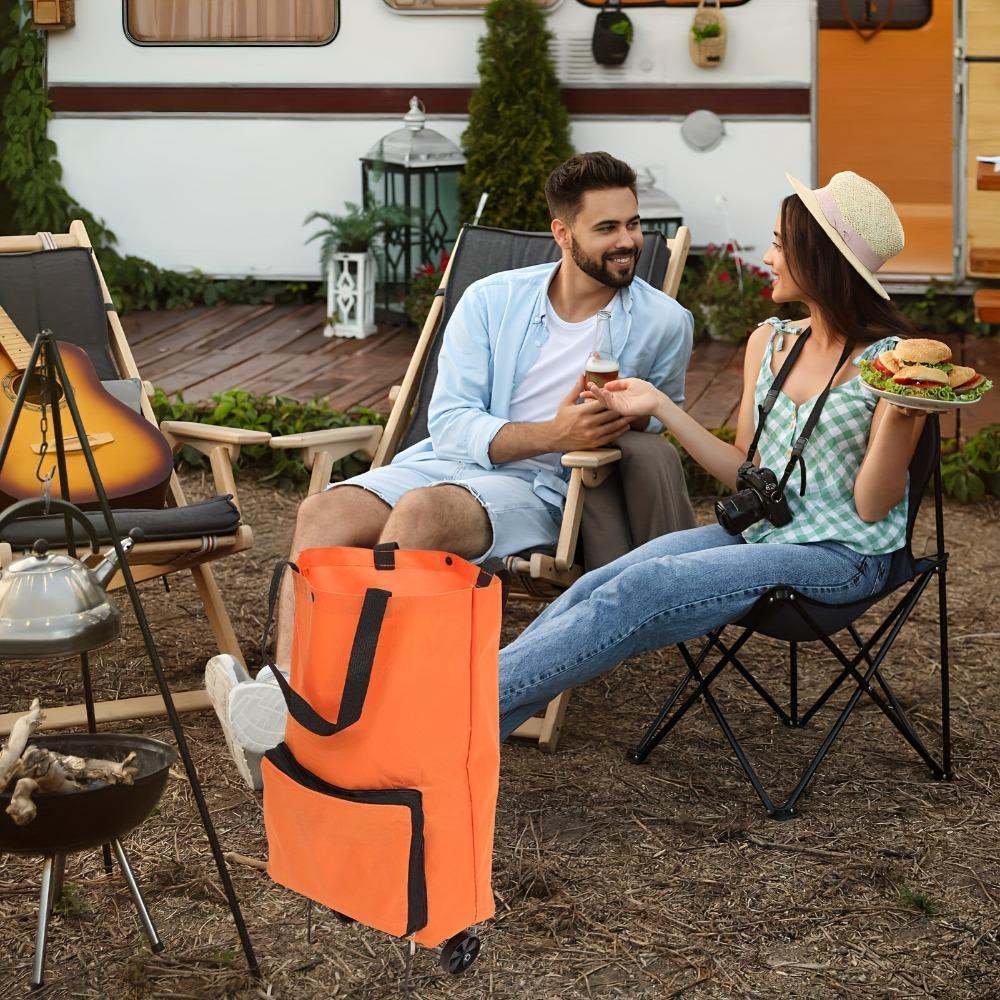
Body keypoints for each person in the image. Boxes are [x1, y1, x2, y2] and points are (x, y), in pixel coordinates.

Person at [207, 151, 694, 789]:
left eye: (634, 224)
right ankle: (291, 706)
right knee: (322, 512)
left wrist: (617, 424)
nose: (629, 241)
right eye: (608, 228)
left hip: (549, 486)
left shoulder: (663, 322)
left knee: (423, 514)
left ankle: (356, 720)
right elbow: (453, 420)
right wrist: (551, 428)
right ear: (562, 232)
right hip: (452, 459)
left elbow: (661, 419)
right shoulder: (491, 299)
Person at [497, 170, 945, 740]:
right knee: (601, 580)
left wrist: (900, 417)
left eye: (781, 243)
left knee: (643, 590)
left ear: (820, 257)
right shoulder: (772, 341)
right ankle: (472, 726)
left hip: (844, 557)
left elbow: (873, 507)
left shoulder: (891, 364)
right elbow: (746, 471)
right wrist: (660, 404)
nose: (770, 256)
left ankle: (447, 720)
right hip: (765, 532)